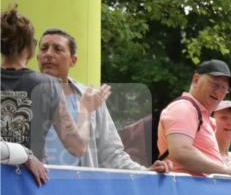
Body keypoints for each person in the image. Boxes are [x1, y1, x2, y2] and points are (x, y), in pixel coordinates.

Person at [38, 27, 168, 172]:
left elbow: (111, 154)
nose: (48, 54)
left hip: (80, 190)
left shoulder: (91, 99)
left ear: (73, 61)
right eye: (44, 48)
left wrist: (145, 172)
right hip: (37, 187)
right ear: (37, 57)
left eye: (57, 49)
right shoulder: (25, 95)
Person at [2, 6, 103, 164]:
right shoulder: (48, 85)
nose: (49, 54)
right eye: (43, 47)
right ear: (30, 48)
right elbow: (77, 147)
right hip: (29, 182)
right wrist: (84, 110)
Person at [156, 59, 231, 184]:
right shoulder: (184, 107)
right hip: (185, 192)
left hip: (195, 192)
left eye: (224, 88)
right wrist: (226, 170)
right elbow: (181, 152)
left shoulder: (201, 115)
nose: (219, 92)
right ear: (196, 79)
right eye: (214, 84)